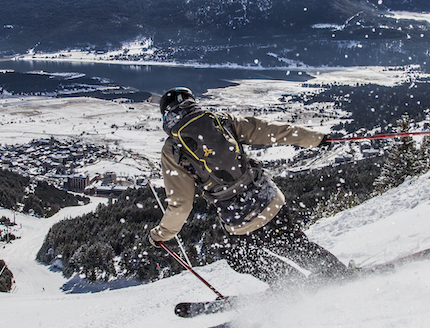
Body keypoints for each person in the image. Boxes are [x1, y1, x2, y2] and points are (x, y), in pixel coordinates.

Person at [149, 87, 351, 288]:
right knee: (292, 245)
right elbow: (270, 130)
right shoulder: (221, 120)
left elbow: (181, 204)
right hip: (269, 199)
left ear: (166, 115)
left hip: (239, 218)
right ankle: (337, 273)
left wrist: (162, 234)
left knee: (239, 256)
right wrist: (314, 138)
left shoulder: (172, 149)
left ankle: (291, 285)